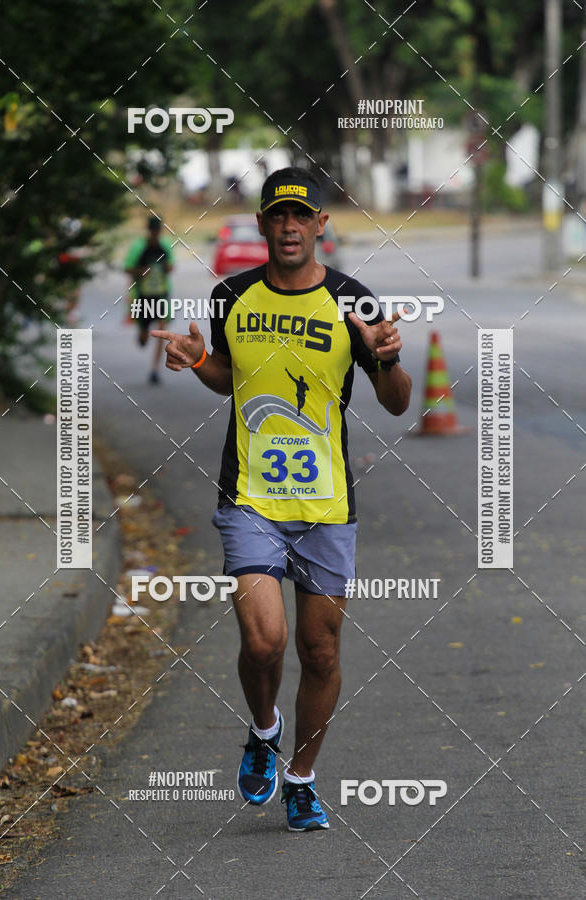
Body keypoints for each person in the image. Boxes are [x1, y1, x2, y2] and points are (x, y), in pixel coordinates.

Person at [152, 167, 411, 831]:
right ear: (264, 223)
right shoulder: (233, 295)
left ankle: (300, 777)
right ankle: (263, 729)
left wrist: (386, 357)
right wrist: (195, 359)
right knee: (264, 641)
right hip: (251, 497)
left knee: (321, 654)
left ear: (322, 224)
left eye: (303, 216)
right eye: (279, 216)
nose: (290, 227)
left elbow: (396, 400)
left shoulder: (354, 302)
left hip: (326, 505)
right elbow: (226, 379)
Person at [124, 215, 174, 384]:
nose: (155, 234)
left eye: (158, 231)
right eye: (153, 231)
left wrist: (167, 268)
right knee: (144, 338)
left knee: (161, 330)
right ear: (149, 231)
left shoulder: (165, 246)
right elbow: (127, 268)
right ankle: (142, 333)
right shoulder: (139, 247)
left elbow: (171, 265)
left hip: (161, 295)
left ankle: (155, 370)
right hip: (143, 296)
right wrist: (141, 271)